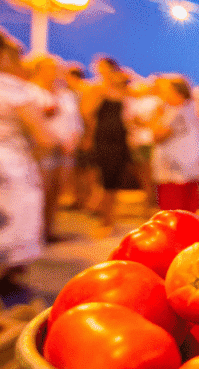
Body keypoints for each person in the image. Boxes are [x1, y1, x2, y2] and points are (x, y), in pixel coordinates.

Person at [0, 25, 56, 292]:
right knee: (0, 249)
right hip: (2, 171)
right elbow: (45, 137)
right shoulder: (13, 87)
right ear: (0, 54)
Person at [26, 54, 82, 242]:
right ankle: (34, 233)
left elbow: (75, 122)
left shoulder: (66, 96)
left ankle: (48, 230)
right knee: (41, 189)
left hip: (65, 148)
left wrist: (73, 140)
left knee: (57, 189)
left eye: (58, 69)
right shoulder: (30, 92)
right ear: (39, 70)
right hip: (41, 149)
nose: (56, 73)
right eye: (51, 68)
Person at [85, 66, 133, 236]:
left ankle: (110, 219)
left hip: (120, 141)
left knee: (115, 181)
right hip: (104, 141)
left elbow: (130, 118)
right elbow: (87, 112)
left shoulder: (125, 96)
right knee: (105, 181)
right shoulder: (98, 92)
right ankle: (104, 220)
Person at [149, 75, 199, 211]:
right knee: (188, 208)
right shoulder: (192, 108)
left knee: (173, 211)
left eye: (166, 90)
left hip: (174, 172)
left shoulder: (177, 112)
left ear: (176, 92)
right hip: (189, 168)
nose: (162, 94)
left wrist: (157, 116)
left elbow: (158, 136)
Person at [126, 77, 164, 209]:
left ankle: (152, 199)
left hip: (148, 140)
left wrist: (143, 123)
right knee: (143, 171)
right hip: (137, 140)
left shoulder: (156, 101)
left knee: (149, 170)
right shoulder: (137, 102)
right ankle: (149, 197)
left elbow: (158, 120)